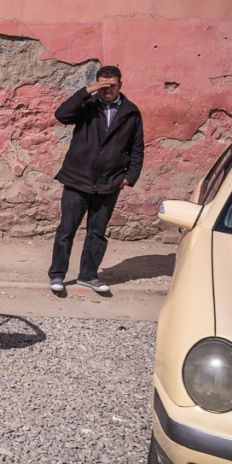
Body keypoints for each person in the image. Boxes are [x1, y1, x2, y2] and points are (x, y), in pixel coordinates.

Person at [48, 65, 144, 293]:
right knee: (66, 231)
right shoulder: (87, 106)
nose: (107, 90)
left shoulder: (131, 111)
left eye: (111, 85)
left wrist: (129, 177)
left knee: (97, 233)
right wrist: (88, 90)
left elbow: (137, 148)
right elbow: (61, 115)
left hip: (110, 183)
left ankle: (88, 276)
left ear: (120, 84)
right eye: (102, 85)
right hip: (76, 180)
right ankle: (57, 275)